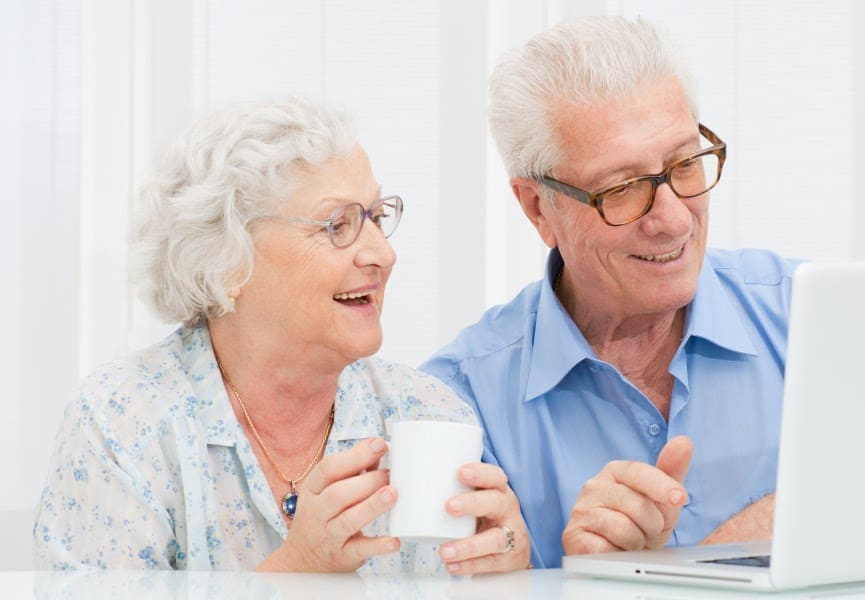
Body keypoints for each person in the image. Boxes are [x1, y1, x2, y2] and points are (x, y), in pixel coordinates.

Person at [34, 98, 531, 575]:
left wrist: (512, 576)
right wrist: (294, 574)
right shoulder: (119, 422)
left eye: (377, 218)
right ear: (228, 261)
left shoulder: (428, 414)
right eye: (339, 225)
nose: (383, 253)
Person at [422, 16, 800, 569]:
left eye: (685, 164)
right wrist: (564, 584)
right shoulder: (456, 405)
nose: (672, 220)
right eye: (622, 190)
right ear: (536, 208)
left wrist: (733, 544)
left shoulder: (810, 312)